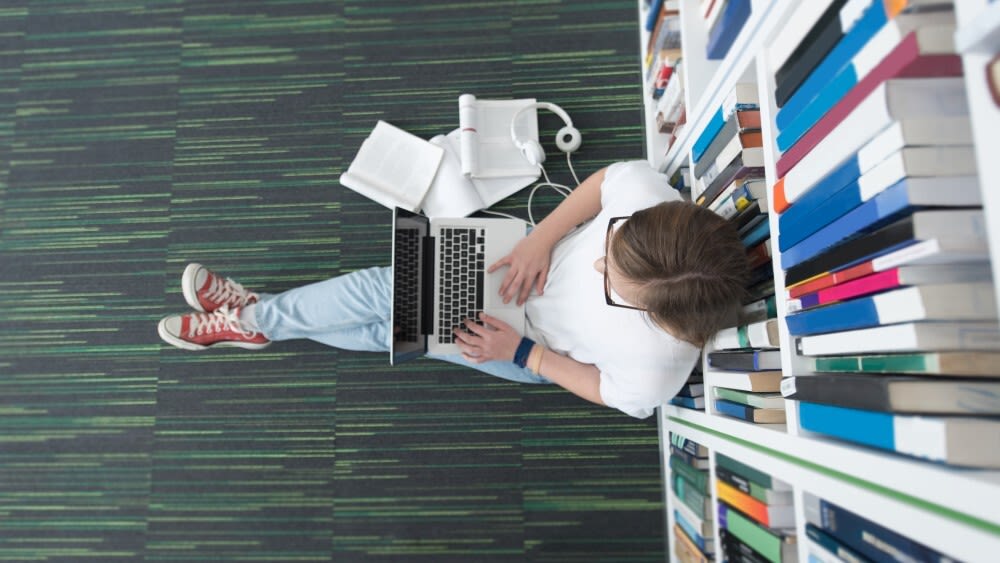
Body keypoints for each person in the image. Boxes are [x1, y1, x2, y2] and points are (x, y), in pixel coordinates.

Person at [158, 161, 750, 418]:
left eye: (613, 285)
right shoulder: (649, 201)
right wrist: (542, 239)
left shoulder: (658, 365)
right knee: (382, 290)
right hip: (515, 260)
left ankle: (255, 318)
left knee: (396, 327)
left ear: (658, 316)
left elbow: (607, 389)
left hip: (521, 342)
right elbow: (603, 183)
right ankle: (260, 322)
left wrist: (522, 354)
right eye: (610, 251)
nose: (598, 268)